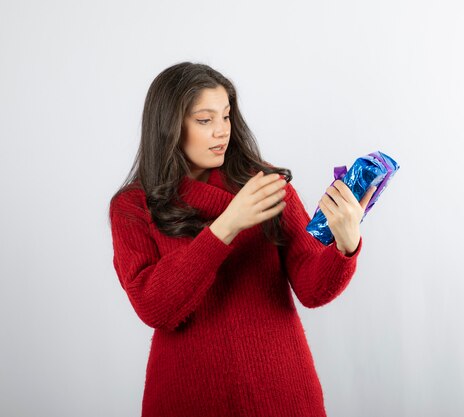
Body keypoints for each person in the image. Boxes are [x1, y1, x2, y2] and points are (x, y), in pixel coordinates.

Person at [108, 61, 376, 417]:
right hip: (185, 398)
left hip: (283, 394)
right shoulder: (132, 206)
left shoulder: (264, 184)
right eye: (205, 120)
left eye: (226, 116)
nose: (222, 132)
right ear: (168, 127)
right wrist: (227, 226)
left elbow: (311, 289)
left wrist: (345, 245)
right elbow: (155, 307)